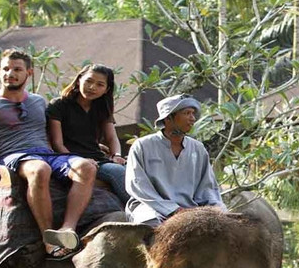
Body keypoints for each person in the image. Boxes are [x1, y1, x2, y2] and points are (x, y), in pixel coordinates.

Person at [0, 48, 97, 258]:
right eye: (6, 69)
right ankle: (49, 238)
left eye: (17, 69)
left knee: (86, 166)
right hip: (13, 155)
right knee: (39, 169)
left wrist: (91, 149)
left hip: (47, 154)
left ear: (29, 73)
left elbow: (56, 136)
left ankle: (67, 229)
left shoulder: (38, 101)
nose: (10, 74)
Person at [125, 95, 226, 226]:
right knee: (150, 222)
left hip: (190, 209)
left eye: (193, 113)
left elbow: (208, 187)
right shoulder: (142, 145)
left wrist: (218, 209)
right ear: (168, 118)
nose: (193, 118)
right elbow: (138, 186)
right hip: (150, 206)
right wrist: (173, 210)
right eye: (187, 113)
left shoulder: (198, 148)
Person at [47, 64, 129, 203]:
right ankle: (139, 208)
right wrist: (79, 161)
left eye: (99, 84)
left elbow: (111, 137)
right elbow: (57, 143)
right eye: (89, 81)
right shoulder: (59, 105)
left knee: (135, 171)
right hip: (71, 160)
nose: (92, 87)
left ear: (106, 89)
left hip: (98, 159)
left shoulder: (102, 107)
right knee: (118, 172)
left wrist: (116, 155)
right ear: (79, 80)